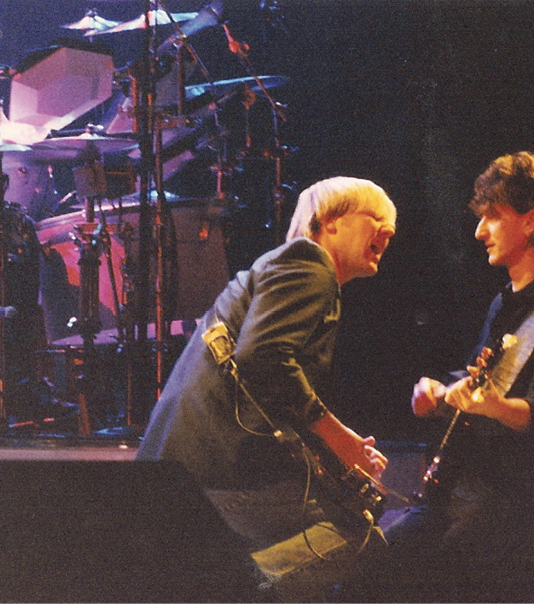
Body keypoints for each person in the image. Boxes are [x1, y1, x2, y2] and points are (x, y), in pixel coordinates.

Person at [344, 152, 534, 602]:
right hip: (459, 489)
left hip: (513, 505)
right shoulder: (505, 302)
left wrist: (497, 407)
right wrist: (440, 391)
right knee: (363, 581)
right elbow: (486, 379)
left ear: (531, 221)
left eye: (492, 216)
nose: (479, 231)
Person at [135, 176, 397, 596]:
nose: (388, 230)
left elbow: (268, 385)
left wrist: (335, 454)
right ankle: (232, 591)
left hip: (188, 470)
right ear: (329, 221)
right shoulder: (307, 263)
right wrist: (339, 436)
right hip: (215, 474)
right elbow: (264, 359)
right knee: (358, 537)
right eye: (377, 218)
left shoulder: (285, 267)